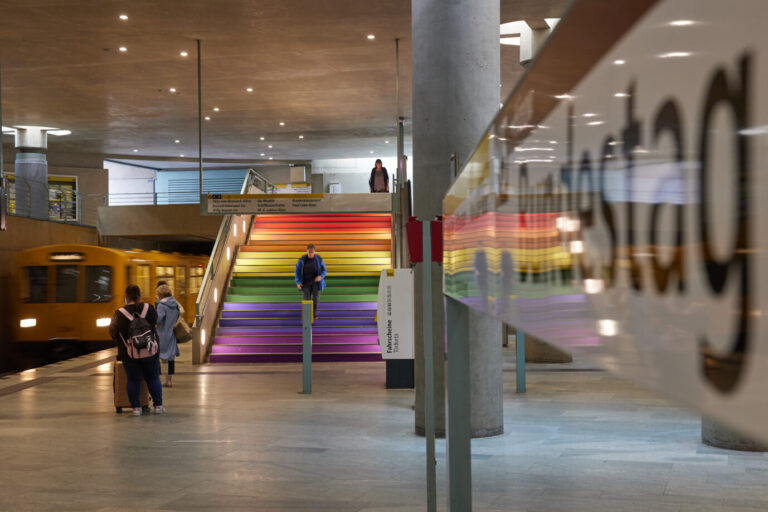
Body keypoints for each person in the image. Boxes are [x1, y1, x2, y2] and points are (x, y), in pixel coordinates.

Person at [109, 284, 164, 415]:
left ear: (126, 297)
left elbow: (112, 333)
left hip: (130, 353)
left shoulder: (119, 313)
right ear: (139, 296)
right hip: (151, 351)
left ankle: (136, 408)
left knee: (133, 380)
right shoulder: (149, 309)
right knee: (153, 378)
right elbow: (156, 322)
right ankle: (158, 406)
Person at [156, 283, 180, 388]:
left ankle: (158, 378)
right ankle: (169, 380)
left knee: (156, 356)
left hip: (161, 334)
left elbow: (159, 319)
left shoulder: (161, 305)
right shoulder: (175, 304)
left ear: (160, 294)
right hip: (171, 334)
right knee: (171, 358)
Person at [295, 244, 327, 319]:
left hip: (316, 283)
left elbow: (324, 270)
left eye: (312, 251)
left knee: (315, 299)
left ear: (314, 251)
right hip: (305, 283)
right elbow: (297, 272)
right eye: (309, 251)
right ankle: (308, 316)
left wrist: (321, 276)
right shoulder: (302, 260)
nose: (311, 253)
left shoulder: (319, 259)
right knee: (307, 299)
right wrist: (298, 282)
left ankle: (313, 314)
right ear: (307, 251)